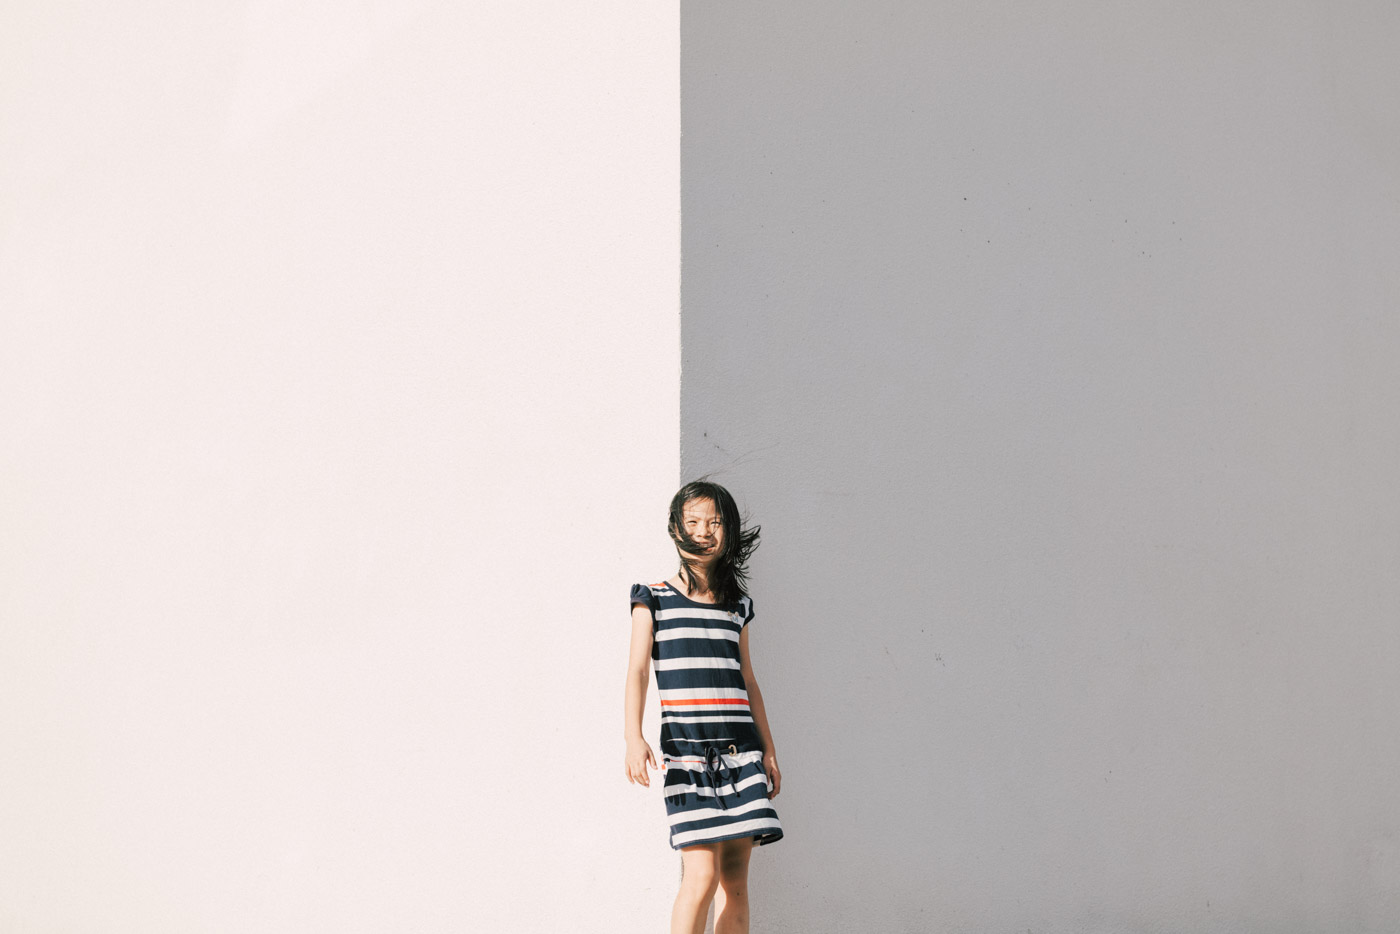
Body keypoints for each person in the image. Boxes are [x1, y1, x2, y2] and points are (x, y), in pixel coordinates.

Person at [624, 480, 784, 934]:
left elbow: (748, 680)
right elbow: (638, 671)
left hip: (742, 756)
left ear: (728, 530)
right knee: (700, 876)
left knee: (735, 884)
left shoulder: (737, 606)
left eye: (714, 523)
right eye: (693, 521)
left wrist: (769, 751)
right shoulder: (653, 598)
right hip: (688, 758)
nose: (703, 531)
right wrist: (633, 736)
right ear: (676, 527)